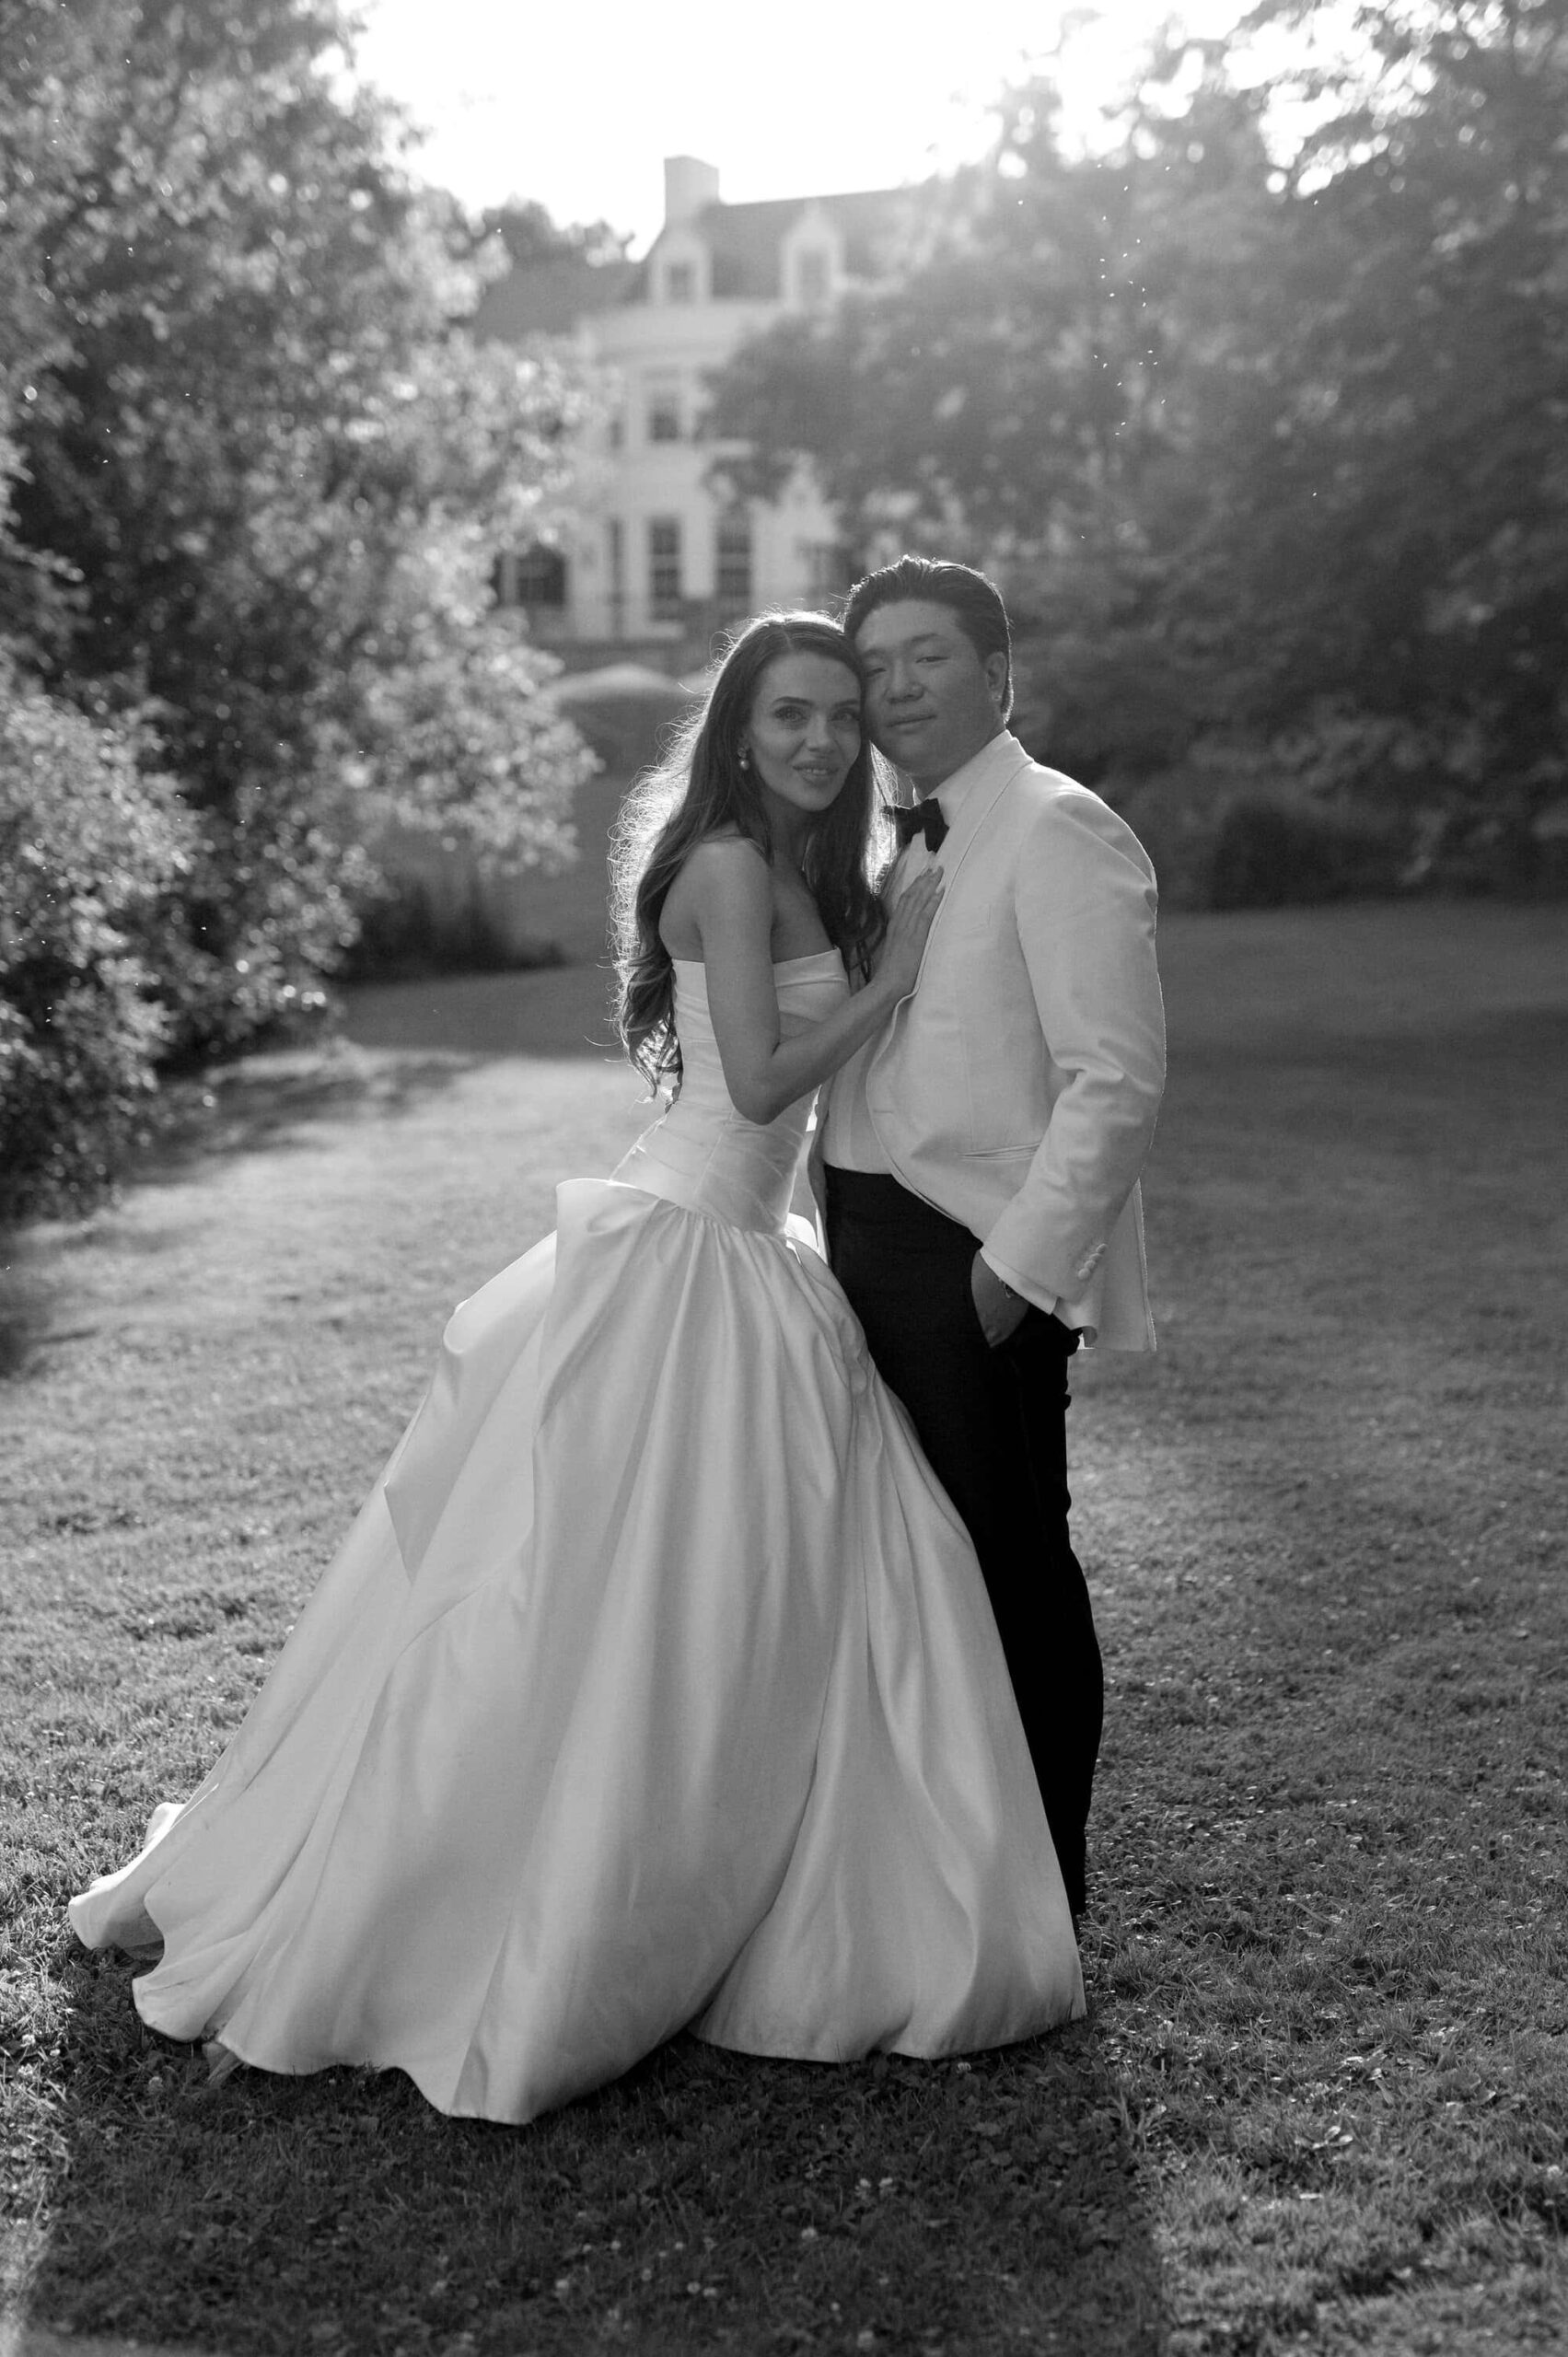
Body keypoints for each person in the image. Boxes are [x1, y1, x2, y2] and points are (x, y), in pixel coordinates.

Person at [69, 611, 1084, 2128]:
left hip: (760, 1252)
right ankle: (466, 1896)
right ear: (739, 731)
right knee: (589, 1598)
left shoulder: (816, 865)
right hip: (685, 1253)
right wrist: (900, 972)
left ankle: (775, 1867)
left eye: (837, 718)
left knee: (774, 1581)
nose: (819, 740)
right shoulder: (737, 869)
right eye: (788, 715)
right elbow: (755, 1079)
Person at [812, 558, 1167, 1924]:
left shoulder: (1059, 828)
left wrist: (1009, 1275)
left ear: (998, 675)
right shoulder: (898, 835)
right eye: (876, 666)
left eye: (927, 659)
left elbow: (1117, 1078)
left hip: (964, 1257)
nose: (896, 688)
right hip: (853, 1237)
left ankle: (1042, 1897)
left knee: (1010, 1563)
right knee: (910, 1561)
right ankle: (946, 1868)